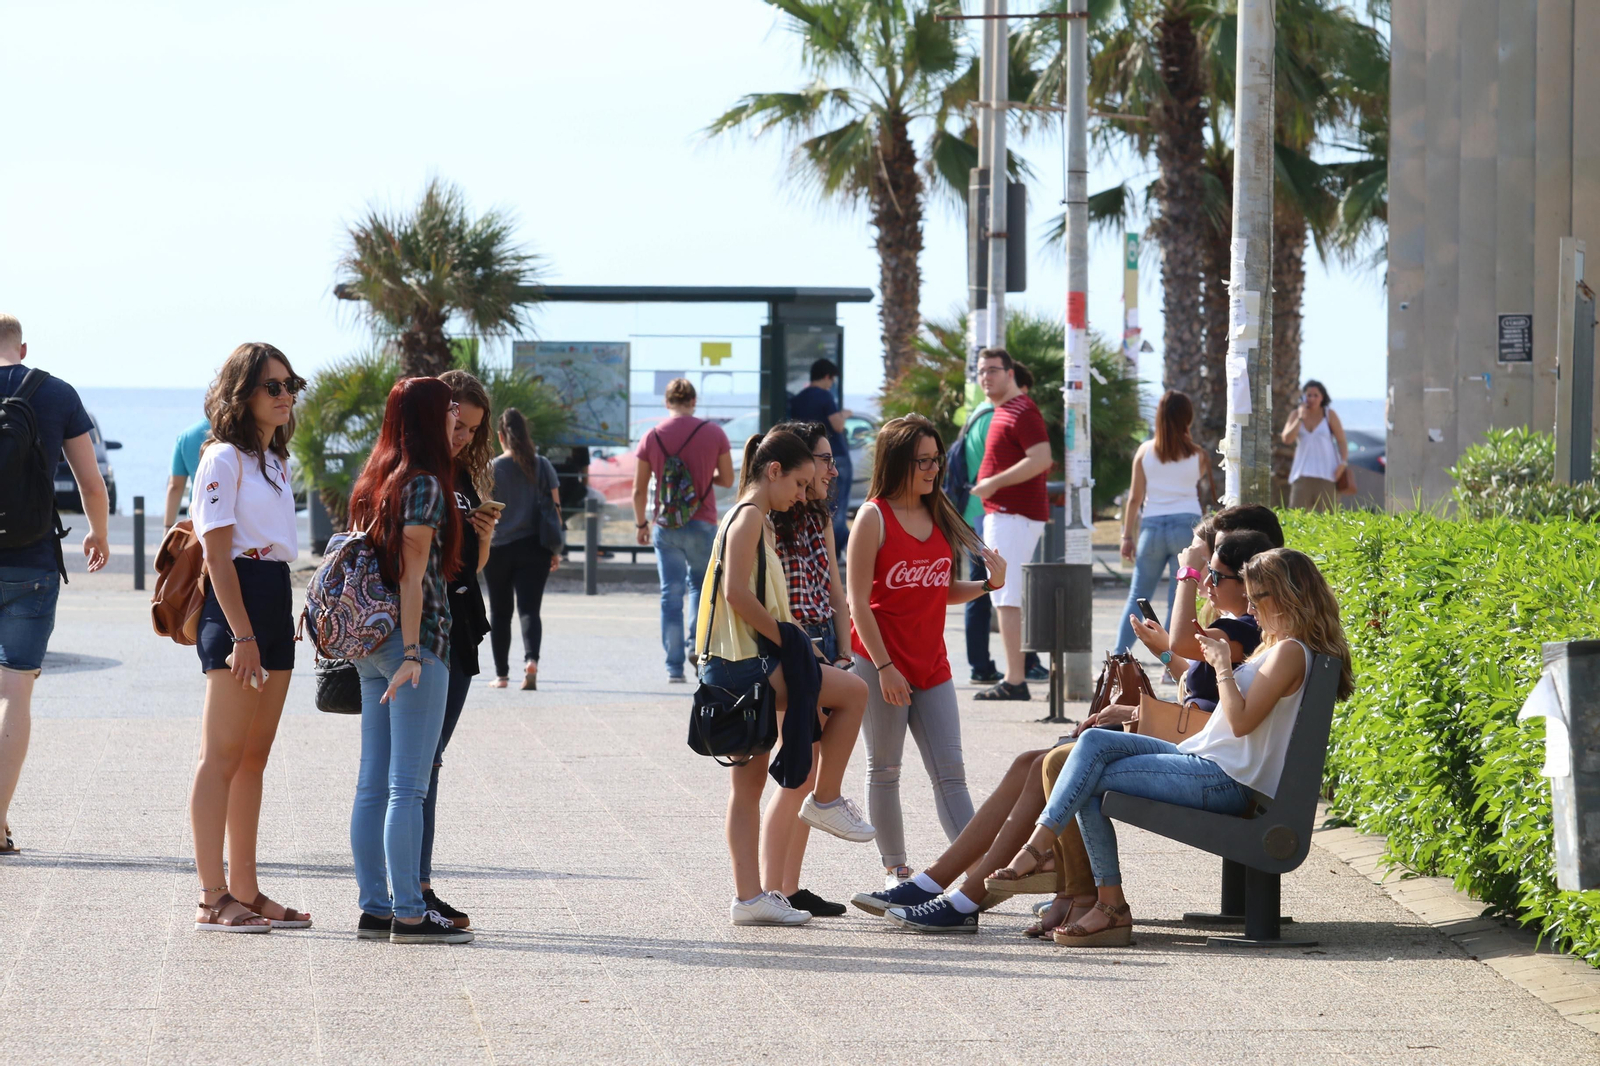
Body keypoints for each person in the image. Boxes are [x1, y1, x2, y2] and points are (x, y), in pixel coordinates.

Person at [861, 506, 1282, 935]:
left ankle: (1013, 885)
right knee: (1035, 759)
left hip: (1209, 760)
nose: (1206, 579)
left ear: (1249, 575)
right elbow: (1202, 692)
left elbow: (1214, 698)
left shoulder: (1247, 629)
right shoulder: (1243, 627)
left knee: (1060, 762)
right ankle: (948, 882)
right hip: (1196, 743)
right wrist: (1148, 690)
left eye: (1215, 569)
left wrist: (1187, 578)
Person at [992, 548, 1355, 946]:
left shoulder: (1289, 651)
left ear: (1283, 596)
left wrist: (1221, 667)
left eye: (1256, 597)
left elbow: (1241, 721)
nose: (1249, 606)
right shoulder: (1280, 647)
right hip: (1205, 762)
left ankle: (1082, 886)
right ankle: (1055, 862)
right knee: (1094, 741)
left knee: (1088, 778)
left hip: (1225, 778)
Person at [698, 429, 873, 926]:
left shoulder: (747, 516)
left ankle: (749, 897)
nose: (802, 494)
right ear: (773, 471)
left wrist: (796, 637)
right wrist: (787, 637)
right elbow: (735, 592)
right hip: (743, 665)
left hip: (733, 664)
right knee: (854, 692)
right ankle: (825, 799)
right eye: (798, 483)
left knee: (748, 785)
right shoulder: (751, 517)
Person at [849, 414, 1008, 886]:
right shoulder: (873, 515)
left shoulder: (939, 511)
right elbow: (857, 601)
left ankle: (980, 874)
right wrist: (883, 667)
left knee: (951, 773)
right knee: (886, 768)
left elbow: (938, 588)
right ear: (897, 461)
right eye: (922, 460)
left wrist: (985, 585)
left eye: (936, 459)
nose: (933, 469)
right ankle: (897, 870)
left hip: (931, 664)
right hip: (881, 663)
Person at [347, 376, 472, 945]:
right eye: (448, 411)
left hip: (370, 646)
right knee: (407, 788)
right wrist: (417, 650)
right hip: (410, 646)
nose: (456, 420)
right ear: (426, 418)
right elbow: (412, 575)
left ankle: (375, 907)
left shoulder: (375, 480)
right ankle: (412, 914)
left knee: (373, 785)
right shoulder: (423, 484)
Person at [186, 342, 306, 932]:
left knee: (254, 758)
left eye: (291, 385)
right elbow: (216, 553)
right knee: (221, 757)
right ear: (244, 393)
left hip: (275, 594)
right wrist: (243, 634)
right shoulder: (223, 459)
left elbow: (278, 549)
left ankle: (247, 888)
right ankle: (212, 895)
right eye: (273, 387)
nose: (286, 396)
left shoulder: (277, 462)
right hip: (236, 603)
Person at [0, 314, 109, 858]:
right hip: (33, 562)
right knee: (15, 692)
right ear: (22, 347)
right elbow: (90, 481)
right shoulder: (57, 392)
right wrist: (98, 533)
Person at [420, 370, 501, 929]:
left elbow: (470, 566)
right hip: (429, 630)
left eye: (472, 430)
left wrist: (484, 532)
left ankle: (416, 884)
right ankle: (412, 887)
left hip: (465, 626)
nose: (462, 438)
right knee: (417, 766)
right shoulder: (417, 474)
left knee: (432, 761)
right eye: (457, 425)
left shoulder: (464, 477)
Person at [767, 420, 852, 917]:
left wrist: (844, 651)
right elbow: (775, 602)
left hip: (825, 642)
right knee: (795, 771)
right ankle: (771, 890)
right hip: (793, 647)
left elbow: (836, 590)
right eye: (822, 459)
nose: (830, 469)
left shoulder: (819, 515)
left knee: (810, 767)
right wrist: (814, 652)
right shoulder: (770, 517)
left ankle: (790, 887)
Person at [633, 378, 733, 683]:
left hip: (666, 525)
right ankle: (697, 646)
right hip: (703, 521)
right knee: (702, 590)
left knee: (670, 594)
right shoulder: (713, 432)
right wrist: (701, 482)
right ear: (693, 401)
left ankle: (673, 667)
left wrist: (641, 524)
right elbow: (728, 479)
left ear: (667, 403)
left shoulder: (651, 436)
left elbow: (639, 490)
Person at [969, 348, 1053, 701]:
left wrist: (993, 483)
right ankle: (1015, 676)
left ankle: (1015, 679)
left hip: (1012, 514)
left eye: (993, 370)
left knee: (1005, 595)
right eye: (981, 371)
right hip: (1003, 514)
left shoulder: (1023, 410)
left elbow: (1042, 459)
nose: (986, 376)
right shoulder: (1005, 409)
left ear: (1010, 373)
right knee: (1006, 594)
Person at [955, 370, 1044, 686]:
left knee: (990, 588)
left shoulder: (979, 416)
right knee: (997, 589)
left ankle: (982, 664)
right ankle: (1019, 666)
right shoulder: (999, 418)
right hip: (988, 511)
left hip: (975, 511)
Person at [1114, 389, 1211, 655]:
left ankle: (1119, 656)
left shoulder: (1144, 451)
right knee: (1176, 598)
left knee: (1137, 596)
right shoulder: (1198, 454)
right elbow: (1196, 481)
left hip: (1152, 529)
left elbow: (1135, 499)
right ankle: (1171, 663)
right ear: (1187, 418)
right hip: (1186, 526)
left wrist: (1127, 536)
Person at [486, 408, 561, 690]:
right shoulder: (542, 464)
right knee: (530, 610)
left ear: (501, 436)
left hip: (498, 548)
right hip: (536, 548)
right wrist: (556, 549)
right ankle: (531, 661)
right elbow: (555, 510)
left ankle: (502, 675)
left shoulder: (492, 468)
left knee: (500, 613)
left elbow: (484, 511)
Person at [787, 358, 853, 555]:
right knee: (837, 507)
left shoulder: (798, 399)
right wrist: (844, 414)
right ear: (827, 377)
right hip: (835, 455)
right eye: (831, 380)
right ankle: (839, 549)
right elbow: (838, 425)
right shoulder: (825, 396)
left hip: (808, 458)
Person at [1282, 379, 1348, 512]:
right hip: (1302, 473)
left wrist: (1343, 463)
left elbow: (1341, 441)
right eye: (1308, 395)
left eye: (1315, 395)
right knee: (1296, 514)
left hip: (1327, 474)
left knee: (1328, 516)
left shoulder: (1329, 415)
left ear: (1322, 397)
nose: (1312, 398)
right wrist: (1300, 418)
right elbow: (1287, 439)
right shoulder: (1296, 415)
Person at [164, 416, 211, 530]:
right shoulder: (239, 431)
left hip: (196, 521)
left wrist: (168, 527)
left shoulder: (186, 436)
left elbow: (175, 486)